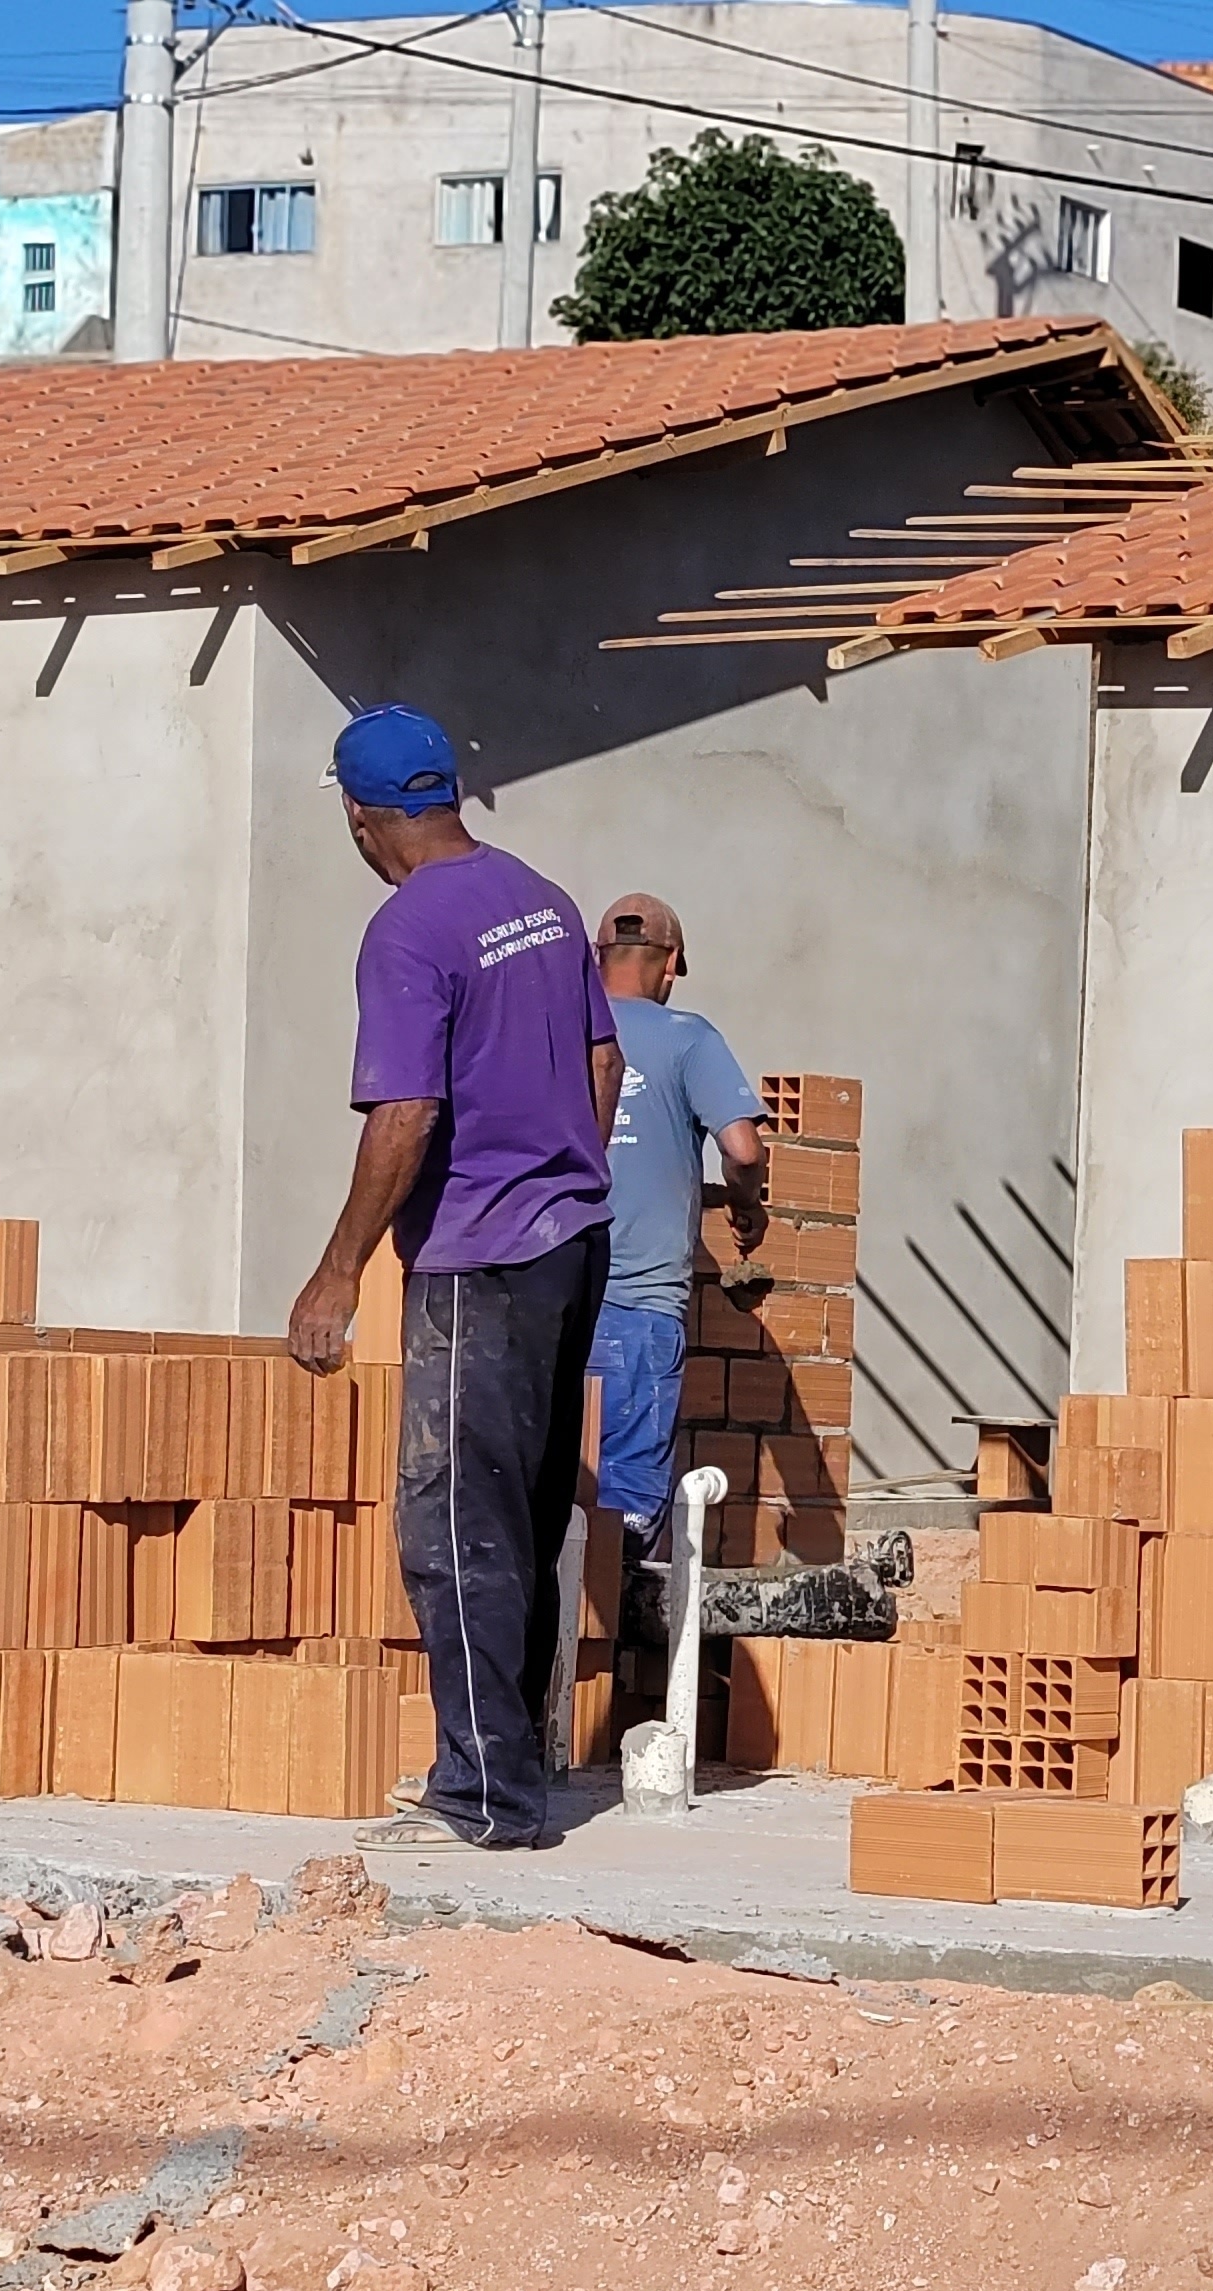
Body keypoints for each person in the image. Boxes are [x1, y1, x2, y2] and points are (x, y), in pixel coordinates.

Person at [284, 705, 621, 1853]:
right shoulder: (539, 897)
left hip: (480, 1259)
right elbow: (603, 1053)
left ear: (359, 814)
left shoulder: (409, 930)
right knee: (522, 1513)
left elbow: (409, 1111)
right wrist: (566, 1168)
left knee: (456, 1526)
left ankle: (484, 1799)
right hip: (573, 1242)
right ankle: (514, 1769)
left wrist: (337, 1274)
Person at [582, 891, 769, 1564]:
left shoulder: (554, 1025)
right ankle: (612, 1667)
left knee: (550, 1499)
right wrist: (748, 1202)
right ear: (671, 964)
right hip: (638, 1311)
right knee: (625, 1518)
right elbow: (743, 1149)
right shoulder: (688, 1037)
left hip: (548, 1305)